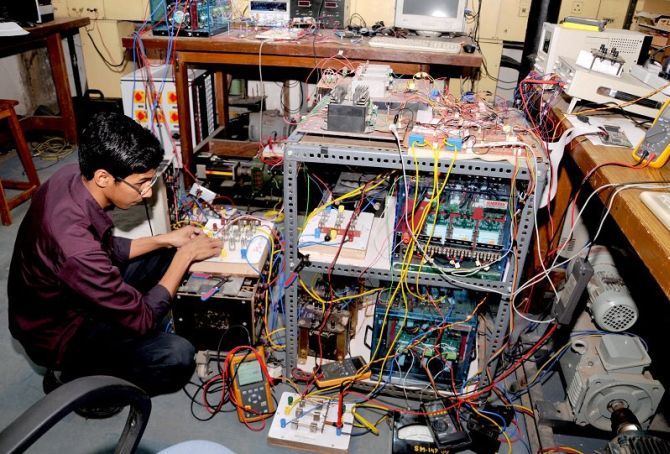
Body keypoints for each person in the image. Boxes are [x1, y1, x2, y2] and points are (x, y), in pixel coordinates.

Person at [8, 112, 222, 407]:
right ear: (104, 178)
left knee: (164, 253)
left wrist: (167, 240)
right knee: (177, 357)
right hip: (60, 336)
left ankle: (116, 343)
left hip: (67, 301)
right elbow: (143, 317)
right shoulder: (74, 247)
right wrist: (183, 258)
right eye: (141, 183)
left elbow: (105, 249)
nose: (147, 194)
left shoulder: (69, 176)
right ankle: (74, 379)